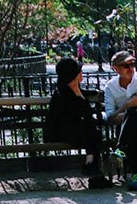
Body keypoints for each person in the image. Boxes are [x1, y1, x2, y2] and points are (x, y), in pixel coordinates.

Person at [45, 57, 109, 188]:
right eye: (79, 72)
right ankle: (91, 169)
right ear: (73, 77)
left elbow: (84, 103)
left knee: (94, 134)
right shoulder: (62, 96)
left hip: (73, 130)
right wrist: (80, 96)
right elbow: (85, 113)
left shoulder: (70, 89)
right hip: (59, 132)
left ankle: (91, 167)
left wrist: (91, 92)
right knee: (94, 134)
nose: (82, 74)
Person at [103, 50, 137, 189]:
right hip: (126, 129)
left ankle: (120, 149)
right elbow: (110, 118)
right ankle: (136, 175)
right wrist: (127, 106)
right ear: (116, 68)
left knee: (132, 114)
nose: (131, 68)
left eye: (133, 64)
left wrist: (127, 112)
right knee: (132, 127)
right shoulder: (110, 87)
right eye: (127, 65)